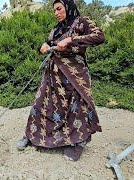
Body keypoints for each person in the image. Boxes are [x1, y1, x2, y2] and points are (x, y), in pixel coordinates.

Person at [16, 0, 105, 161]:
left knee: (77, 110)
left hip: (74, 76)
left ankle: (77, 144)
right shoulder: (56, 29)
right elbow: (49, 44)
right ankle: (32, 136)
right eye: (54, 10)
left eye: (59, 9)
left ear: (68, 7)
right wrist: (43, 45)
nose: (56, 13)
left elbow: (99, 37)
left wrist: (71, 40)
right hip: (53, 75)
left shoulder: (82, 22)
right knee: (40, 104)